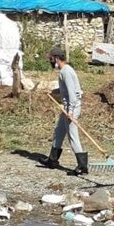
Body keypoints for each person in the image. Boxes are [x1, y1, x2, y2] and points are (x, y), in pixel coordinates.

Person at [41, 47, 87, 175]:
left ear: (56, 58)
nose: (50, 62)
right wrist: (52, 92)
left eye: (51, 59)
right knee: (59, 131)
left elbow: (72, 94)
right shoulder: (64, 71)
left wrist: (71, 112)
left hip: (72, 107)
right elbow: (64, 91)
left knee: (72, 135)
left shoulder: (66, 72)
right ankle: (52, 160)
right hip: (68, 107)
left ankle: (82, 166)